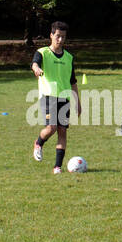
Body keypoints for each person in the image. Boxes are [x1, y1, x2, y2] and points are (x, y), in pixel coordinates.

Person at [31, 21, 81, 173]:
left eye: (63, 37)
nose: (60, 40)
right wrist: (37, 69)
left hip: (64, 98)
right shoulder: (42, 52)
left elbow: (73, 82)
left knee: (62, 131)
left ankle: (57, 166)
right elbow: (34, 64)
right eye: (57, 36)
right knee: (51, 128)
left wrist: (77, 103)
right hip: (48, 96)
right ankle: (39, 142)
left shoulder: (69, 58)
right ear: (51, 35)